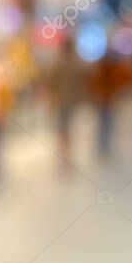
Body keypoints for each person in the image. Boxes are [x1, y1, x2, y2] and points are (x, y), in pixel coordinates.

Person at [44, 36, 86, 167]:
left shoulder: (58, 64)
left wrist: (51, 100)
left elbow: (50, 83)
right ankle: (67, 153)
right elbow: (82, 84)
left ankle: (63, 152)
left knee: (62, 128)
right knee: (68, 127)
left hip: (61, 100)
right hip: (70, 101)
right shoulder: (76, 64)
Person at [89, 50, 132, 158]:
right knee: (105, 124)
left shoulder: (111, 69)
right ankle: (103, 146)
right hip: (105, 101)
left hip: (108, 101)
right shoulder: (105, 70)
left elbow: (123, 82)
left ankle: (104, 146)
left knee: (106, 124)